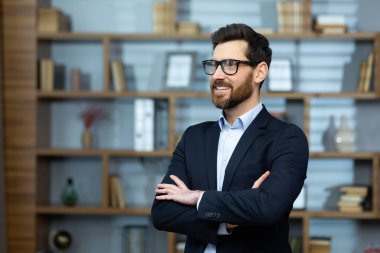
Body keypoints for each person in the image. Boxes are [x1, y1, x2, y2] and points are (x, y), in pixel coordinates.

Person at [151, 23, 309, 253]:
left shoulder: (287, 138)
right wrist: (228, 220)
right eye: (214, 65)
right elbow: (163, 213)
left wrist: (197, 198)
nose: (216, 75)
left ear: (260, 72)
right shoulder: (194, 137)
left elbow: (268, 207)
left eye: (230, 65)